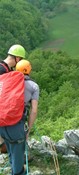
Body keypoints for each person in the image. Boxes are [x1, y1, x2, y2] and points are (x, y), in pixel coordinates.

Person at [0, 45, 39, 175]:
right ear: (17, 58)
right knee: (15, 152)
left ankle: (16, 167)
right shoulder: (3, 71)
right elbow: (33, 110)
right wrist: (28, 128)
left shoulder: (6, 71)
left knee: (11, 150)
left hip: (3, 120)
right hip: (14, 122)